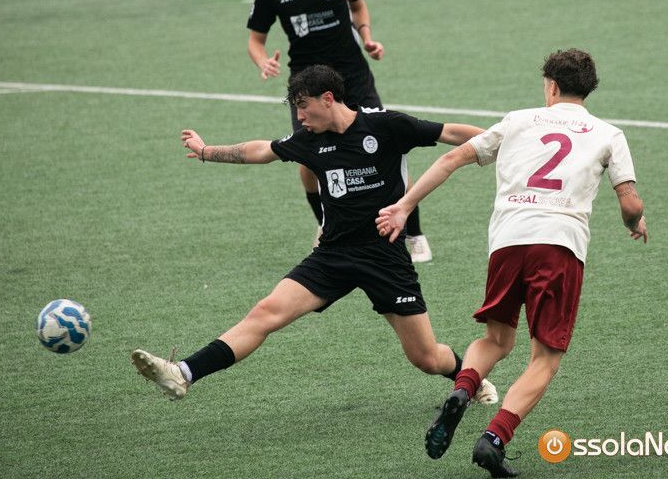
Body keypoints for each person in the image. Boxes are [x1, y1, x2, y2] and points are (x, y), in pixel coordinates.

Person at [130, 65, 495, 405]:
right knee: (265, 313)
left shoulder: (386, 126)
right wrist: (207, 151)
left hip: (385, 258)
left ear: (328, 99)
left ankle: (470, 379)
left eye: (303, 106)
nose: (300, 116)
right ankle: (183, 373)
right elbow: (261, 151)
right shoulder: (309, 140)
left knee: (426, 358)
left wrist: (505, 143)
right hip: (333, 255)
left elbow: (451, 133)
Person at [376, 49, 648, 478]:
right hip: (558, 245)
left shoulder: (518, 120)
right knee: (545, 357)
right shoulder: (608, 134)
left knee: (497, 339)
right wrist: (635, 223)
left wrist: (405, 206)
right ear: (587, 90)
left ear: (551, 86)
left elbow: (450, 159)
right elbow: (630, 203)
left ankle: (463, 389)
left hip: (508, 241)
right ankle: (495, 438)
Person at [246, 0, 433, 262]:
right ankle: (325, 225)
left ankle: (414, 233)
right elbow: (256, 40)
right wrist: (263, 61)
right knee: (307, 161)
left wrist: (367, 36)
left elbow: (358, 6)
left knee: (387, 149)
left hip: (353, 78)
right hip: (306, 88)